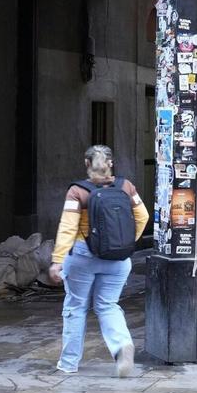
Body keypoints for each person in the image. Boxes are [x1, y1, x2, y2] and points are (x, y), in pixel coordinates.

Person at [48, 145, 150, 376]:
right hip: (119, 258)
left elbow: (68, 227)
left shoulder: (77, 191)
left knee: (75, 306)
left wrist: (58, 259)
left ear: (86, 163)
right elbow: (142, 216)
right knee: (107, 305)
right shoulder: (126, 186)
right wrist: (125, 241)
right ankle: (122, 345)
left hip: (83, 256)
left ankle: (68, 364)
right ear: (111, 163)